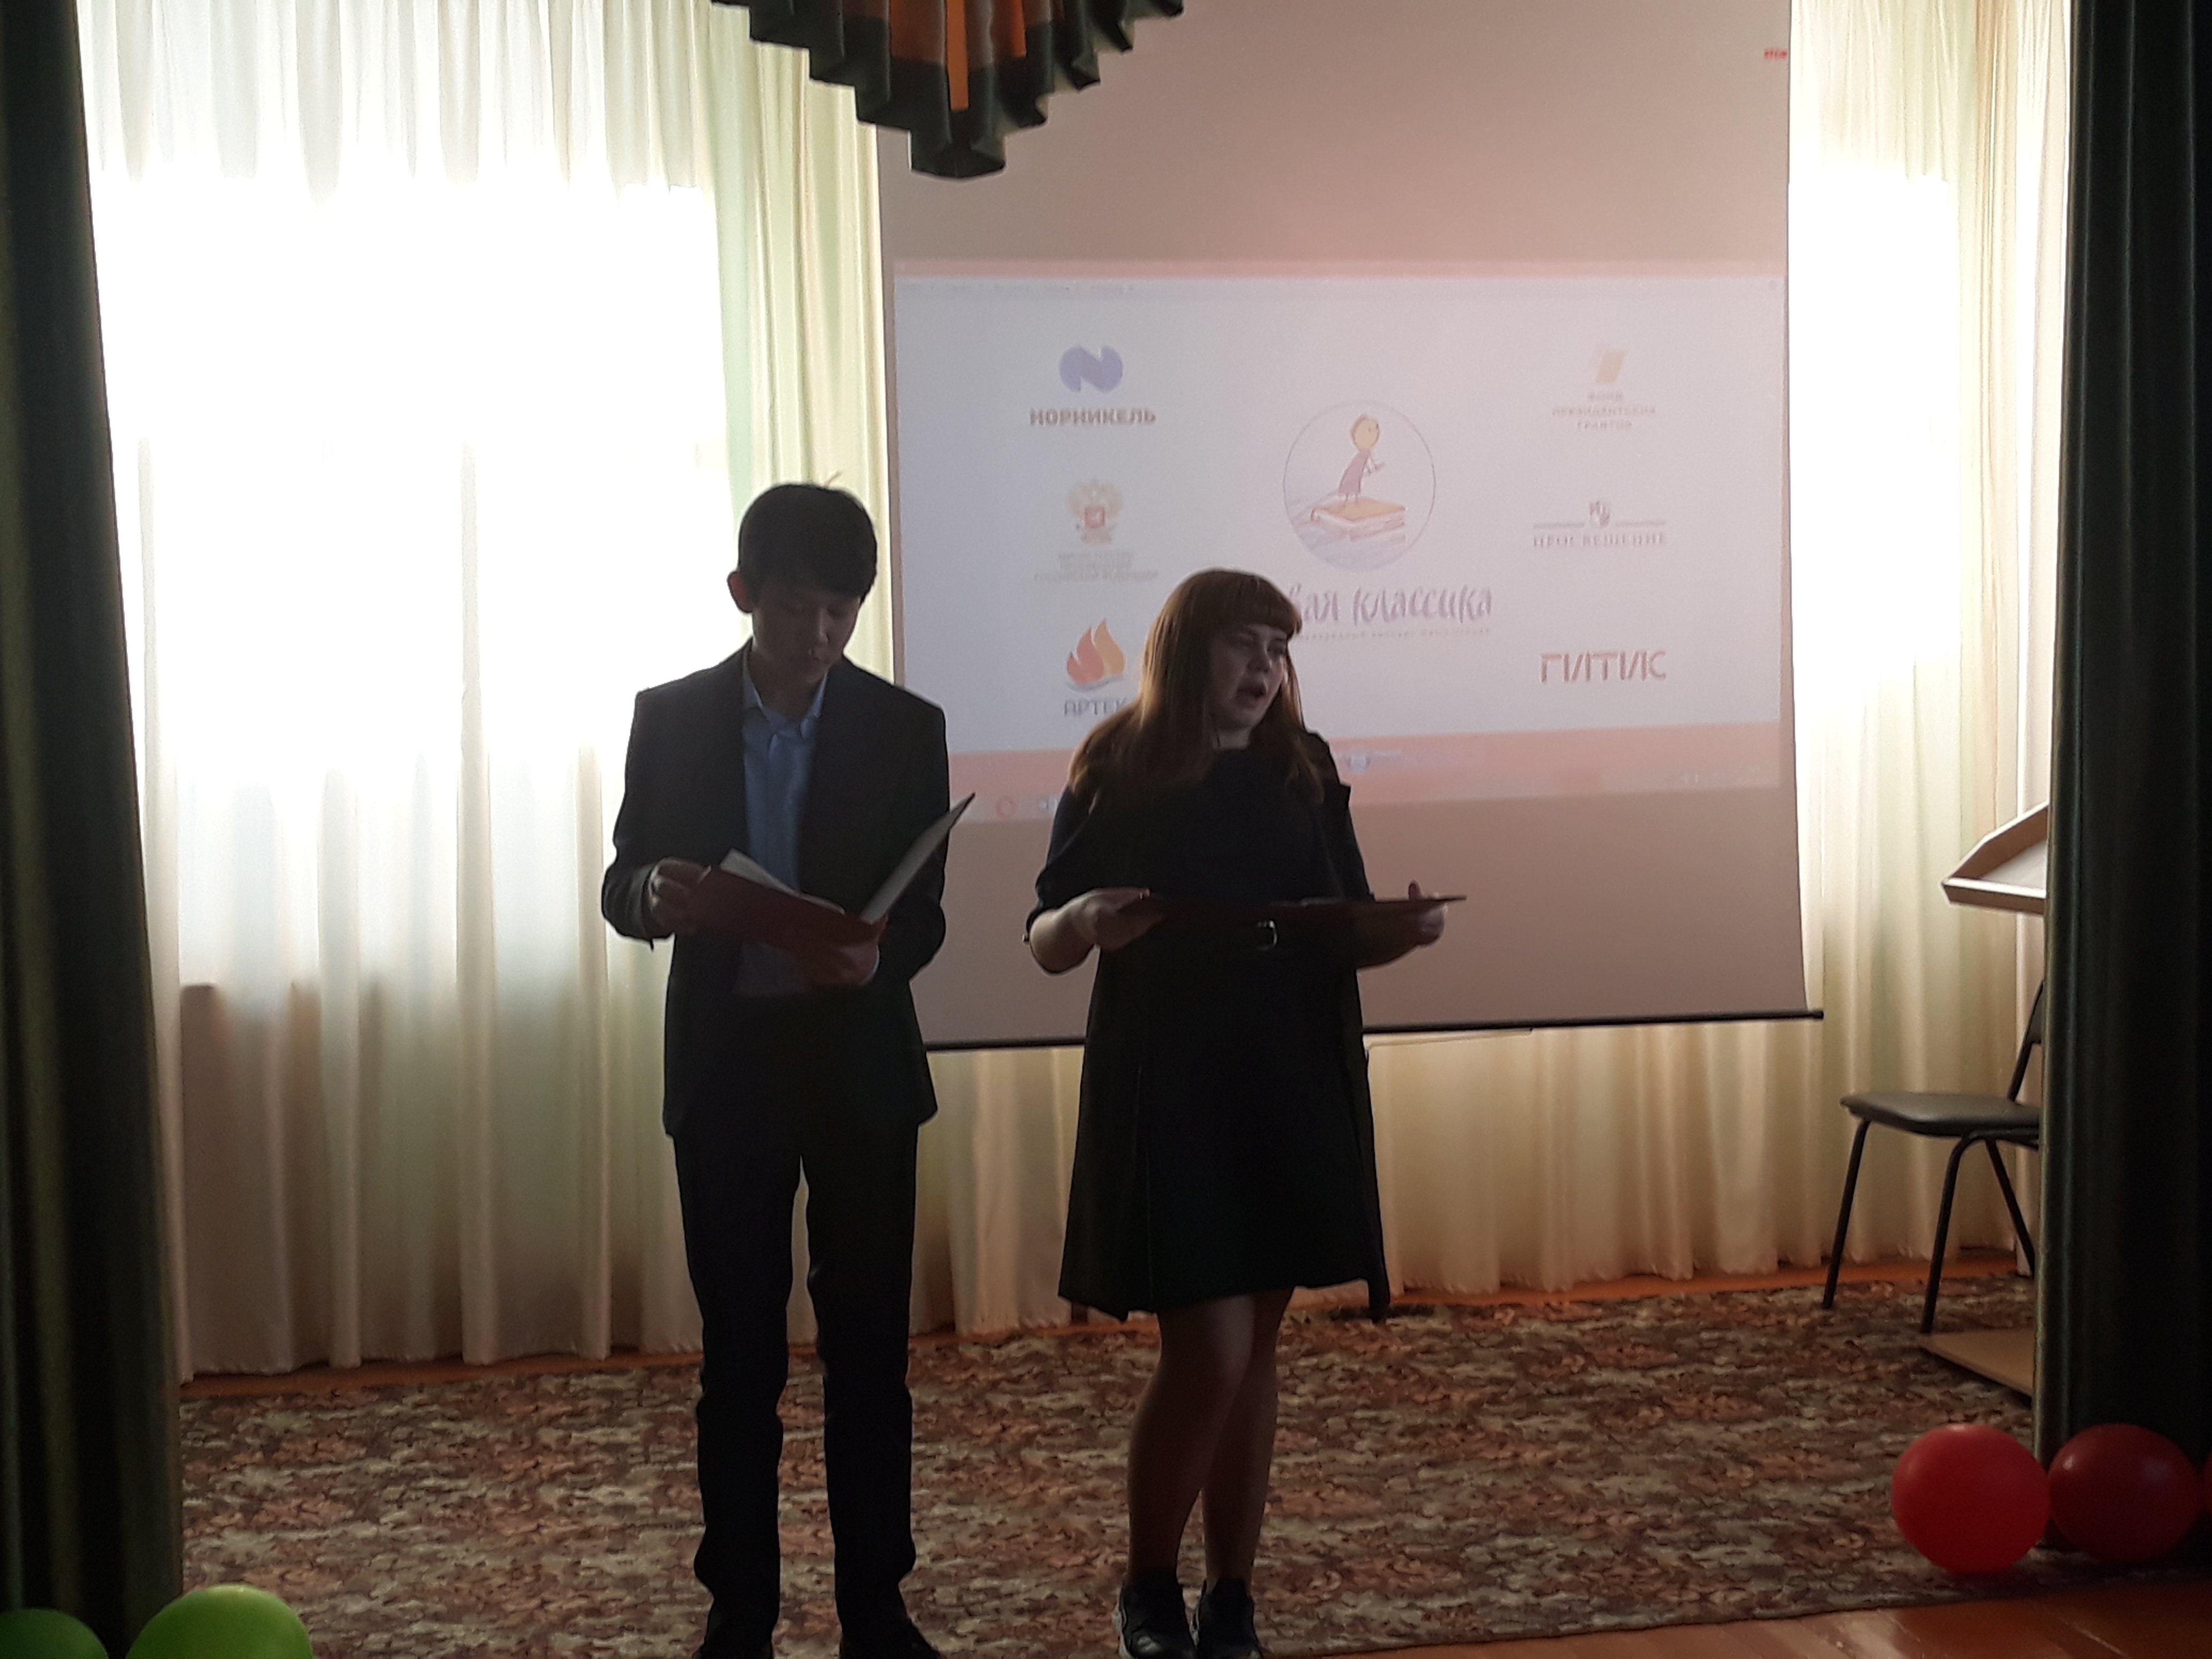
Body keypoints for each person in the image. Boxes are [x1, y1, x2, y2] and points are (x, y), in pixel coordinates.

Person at [1025, 569, 1446, 1659]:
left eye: (1278, 649)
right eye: (1243, 644)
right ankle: (1147, 1588)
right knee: (1209, 1351)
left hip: (1289, 1062)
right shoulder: (1116, 767)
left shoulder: (1301, 767)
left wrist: (1402, 931)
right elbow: (1046, 938)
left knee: (1256, 1349)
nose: (1264, 669)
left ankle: (1232, 1603)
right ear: (1186, 651)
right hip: (1172, 1073)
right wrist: (1083, 917)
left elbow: (1344, 922)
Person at [601, 483, 950, 1659]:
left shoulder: (904, 726)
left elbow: (926, 912)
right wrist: (652, 894)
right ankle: (739, 1613)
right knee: (740, 1358)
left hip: (859, 1072)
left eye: (842, 611)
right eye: (797, 607)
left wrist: (878, 954)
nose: (819, 635)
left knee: (871, 1358)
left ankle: (876, 1611)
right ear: (744, 594)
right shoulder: (672, 718)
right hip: (731, 1071)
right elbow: (624, 878)